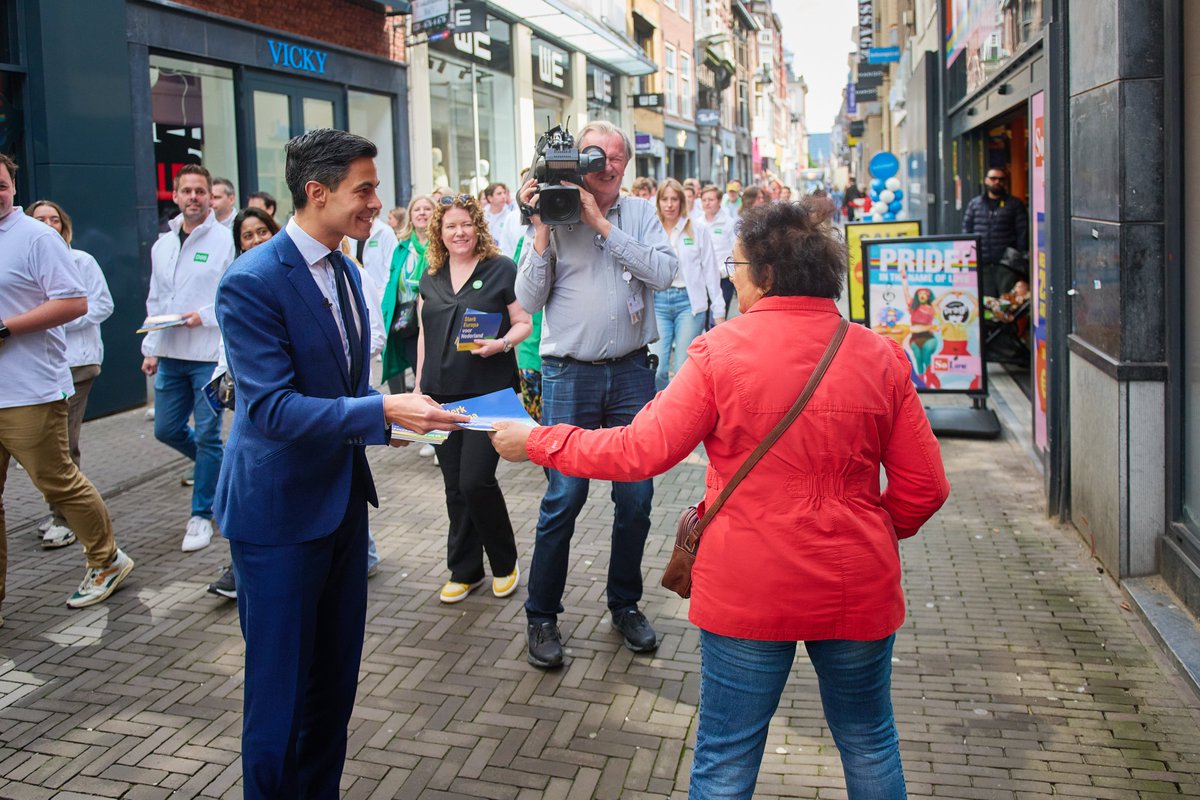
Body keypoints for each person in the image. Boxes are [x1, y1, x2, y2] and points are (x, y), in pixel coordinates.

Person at [492, 198, 950, 800]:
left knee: (727, 756)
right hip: (856, 583)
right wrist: (869, 530)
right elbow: (925, 487)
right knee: (869, 740)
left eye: (737, 263)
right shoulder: (879, 355)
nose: (731, 274)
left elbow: (640, 451)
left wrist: (541, 441)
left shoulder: (719, 354)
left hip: (747, 584)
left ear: (765, 274)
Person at [214, 128, 467, 799]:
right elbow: (269, 410)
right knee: (279, 703)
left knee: (331, 693)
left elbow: (343, 391)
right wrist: (380, 414)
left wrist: (395, 423)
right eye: (365, 188)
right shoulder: (252, 280)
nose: (376, 202)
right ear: (317, 192)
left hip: (341, 508)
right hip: (278, 522)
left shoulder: (348, 270)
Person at [515, 119, 677, 669]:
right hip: (569, 375)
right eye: (595, 156)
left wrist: (601, 225)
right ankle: (542, 615)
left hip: (632, 372)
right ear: (577, 159)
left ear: (626, 165)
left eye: (616, 159)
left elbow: (665, 273)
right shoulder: (553, 211)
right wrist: (542, 227)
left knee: (636, 497)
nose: (606, 167)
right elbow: (528, 299)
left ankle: (625, 604)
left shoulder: (637, 213)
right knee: (565, 497)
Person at [0, 154, 134, 622]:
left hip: (31, 389)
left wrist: (6, 328)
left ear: (13, 186)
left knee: (58, 481)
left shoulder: (35, 237)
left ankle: (106, 559)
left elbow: (76, 302)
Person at [415, 194, 531, 603]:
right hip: (440, 394)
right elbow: (424, 335)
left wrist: (500, 344)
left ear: (477, 227)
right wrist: (417, 389)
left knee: (475, 480)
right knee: (453, 487)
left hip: (489, 395)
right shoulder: (430, 275)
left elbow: (523, 323)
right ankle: (465, 571)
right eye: (450, 226)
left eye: (466, 224)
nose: (459, 232)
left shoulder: (500, 269)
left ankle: (504, 562)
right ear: (439, 233)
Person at [142, 163, 236, 553]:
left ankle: (202, 514)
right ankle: (217, 468)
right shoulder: (162, 244)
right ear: (176, 196)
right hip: (170, 352)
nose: (194, 198)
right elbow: (155, 297)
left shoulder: (225, 240)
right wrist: (149, 349)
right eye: (187, 191)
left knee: (210, 434)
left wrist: (205, 316)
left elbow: (233, 296)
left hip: (207, 353)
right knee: (166, 428)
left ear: (210, 196)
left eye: (201, 191)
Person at [27, 199, 115, 550]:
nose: (48, 225)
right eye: (40, 220)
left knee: (64, 442)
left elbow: (102, 304)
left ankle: (66, 518)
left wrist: (59, 318)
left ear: (65, 227)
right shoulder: (25, 262)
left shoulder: (82, 262)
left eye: (55, 220)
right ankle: (61, 510)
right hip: (40, 366)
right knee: (47, 444)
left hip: (77, 364)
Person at [204, 207, 281, 601]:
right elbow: (229, 344)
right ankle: (239, 567)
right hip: (254, 401)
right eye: (246, 235)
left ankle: (363, 551)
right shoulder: (240, 283)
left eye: (261, 231)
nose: (254, 240)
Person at [649, 179, 724, 390]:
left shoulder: (697, 230)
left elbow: (710, 271)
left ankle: (678, 418)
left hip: (688, 304)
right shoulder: (651, 231)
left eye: (674, 199)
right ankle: (660, 413)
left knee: (683, 369)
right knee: (657, 368)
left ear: (682, 202)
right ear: (658, 202)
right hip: (658, 303)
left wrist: (718, 310)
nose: (670, 204)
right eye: (665, 199)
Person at [381, 194, 435, 397]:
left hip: (434, 321)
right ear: (410, 216)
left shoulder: (442, 245)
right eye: (417, 209)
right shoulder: (402, 247)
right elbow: (391, 283)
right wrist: (385, 315)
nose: (422, 213)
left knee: (433, 373)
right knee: (416, 368)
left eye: (427, 209)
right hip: (408, 322)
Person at [962, 167, 1029, 297]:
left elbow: (1023, 233)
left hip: (1006, 265)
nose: (997, 182)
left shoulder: (1015, 204)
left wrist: (1018, 256)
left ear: (1005, 182)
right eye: (993, 178)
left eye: (1001, 179)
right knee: (986, 302)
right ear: (986, 181)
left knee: (1007, 304)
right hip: (983, 263)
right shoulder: (975, 204)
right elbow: (967, 230)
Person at [698, 184, 738, 318]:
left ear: (719, 201)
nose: (707, 203)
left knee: (718, 318)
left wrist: (725, 271)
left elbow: (735, 252)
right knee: (703, 317)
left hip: (723, 279)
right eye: (704, 200)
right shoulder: (697, 223)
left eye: (711, 199)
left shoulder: (729, 223)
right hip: (702, 279)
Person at [350, 208, 399, 290]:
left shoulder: (385, 232)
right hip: (358, 289)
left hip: (380, 292)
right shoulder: (351, 232)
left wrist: (383, 295)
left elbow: (392, 267)